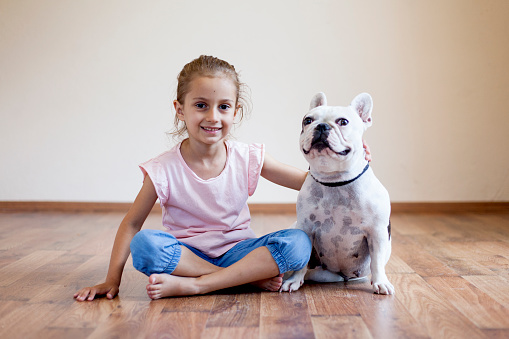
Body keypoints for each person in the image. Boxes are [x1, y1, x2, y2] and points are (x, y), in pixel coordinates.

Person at [74, 55, 314, 301]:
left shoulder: (248, 156)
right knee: (144, 245)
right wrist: (112, 280)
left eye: (223, 106)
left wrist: (351, 162)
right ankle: (239, 279)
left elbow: (311, 183)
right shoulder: (163, 168)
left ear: (235, 112)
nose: (213, 116)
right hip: (187, 258)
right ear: (180, 110)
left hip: (239, 251)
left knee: (298, 243)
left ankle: (199, 285)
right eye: (201, 105)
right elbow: (132, 225)